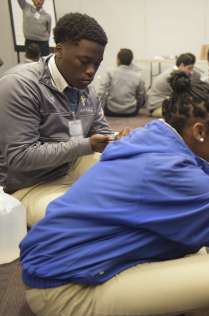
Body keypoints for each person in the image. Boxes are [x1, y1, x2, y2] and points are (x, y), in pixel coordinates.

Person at [20, 72, 209, 316]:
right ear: (198, 131)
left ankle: (194, 304)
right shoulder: (169, 169)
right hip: (62, 291)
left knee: (197, 243)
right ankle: (203, 312)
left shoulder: (150, 139)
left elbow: (199, 203)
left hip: (59, 264)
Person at [0, 13, 127, 227]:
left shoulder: (86, 89)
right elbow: (20, 157)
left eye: (97, 64)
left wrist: (117, 140)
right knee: (83, 221)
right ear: (59, 50)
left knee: (133, 177)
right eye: (85, 62)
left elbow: (101, 133)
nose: (91, 72)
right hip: (26, 186)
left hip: (69, 166)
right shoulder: (20, 86)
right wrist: (86, 145)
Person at [97, 48, 146, 117]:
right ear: (131, 61)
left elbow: (101, 92)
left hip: (111, 110)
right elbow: (141, 95)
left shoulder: (110, 73)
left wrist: (99, 110)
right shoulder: (138, 76)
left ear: (118, 60)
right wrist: (139, 106)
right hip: (131, 112)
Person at [147, 52, 196, 117]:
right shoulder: (173, 76)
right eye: (189, 68)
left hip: (160, 103)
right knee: (186, 114)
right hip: (157, 107)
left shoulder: (173, 73)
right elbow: (181, 96)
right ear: (181, 65)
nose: (191, 72)